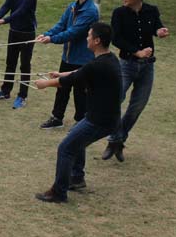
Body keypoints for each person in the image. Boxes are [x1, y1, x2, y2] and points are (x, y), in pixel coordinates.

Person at [33, 22, 122, 203]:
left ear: (97, 41)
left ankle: (58, 192)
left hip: (100, 120)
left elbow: (71, 80)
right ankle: (76, 178)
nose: (87, 38)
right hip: (103, 117)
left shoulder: (98, 65)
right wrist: (61, 74)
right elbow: (80, 72)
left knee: (65, 148)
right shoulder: (109, 59)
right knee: (75, 138)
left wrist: (45, 84)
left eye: (89, 35)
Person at [101, 0, 170, 163]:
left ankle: (118, 140)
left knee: (138, 105)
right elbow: (116, 38)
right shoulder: (119, 13)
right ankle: (115, 139)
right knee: (115, 100)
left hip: (147, 66)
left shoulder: (151, 10)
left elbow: (156, 27)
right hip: (126, 64)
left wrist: (160, 31)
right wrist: (136, 52)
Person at [34, 0, 100, 129]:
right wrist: (47, 34)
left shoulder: (91, 11)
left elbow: (73, 32)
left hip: (83, 59)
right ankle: (57, 118)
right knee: (61, 87)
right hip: (68, 57)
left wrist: (52, 39)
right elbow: (61, 25)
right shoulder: (72, 6)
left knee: (80, 92)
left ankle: (81, 122)